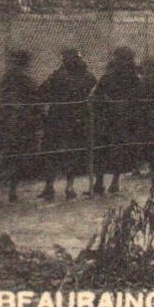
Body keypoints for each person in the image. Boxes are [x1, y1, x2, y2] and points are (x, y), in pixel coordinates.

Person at [37, 48, 96, 201]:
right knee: (74, 153)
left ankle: (49, 186)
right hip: (78, 120)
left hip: (57, 120)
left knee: (52, 152)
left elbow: (42, 92)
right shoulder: (88, 77)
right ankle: (70, 188)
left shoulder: (58, 76)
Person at [0, 49, 39, 203]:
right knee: (16, 155)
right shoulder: (27, 80)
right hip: (19, 123)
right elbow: (34, 101)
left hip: (3, 119)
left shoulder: (7, 77)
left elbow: (3, 97)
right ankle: (12, 192)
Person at [90, 47, 141, 196]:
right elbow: (138, 99)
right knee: (120, 150)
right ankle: (115, 181)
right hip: (125, 120)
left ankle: (99, 182)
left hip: (107, 119)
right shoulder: (134, 79)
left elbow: (95, 96)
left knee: (102, 149)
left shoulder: (107, 77)